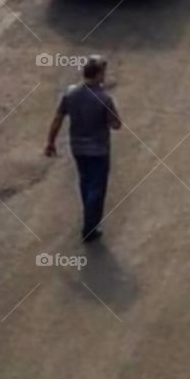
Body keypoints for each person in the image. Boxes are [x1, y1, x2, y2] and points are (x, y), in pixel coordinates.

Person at [44, 56, 122, 242]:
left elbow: (58, 118)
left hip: (77, 147)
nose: (105, 76)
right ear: (98, 74)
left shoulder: (70, 93)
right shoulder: (104, 98)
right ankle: (90, 226)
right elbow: (116, 124)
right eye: (103, 72)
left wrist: (50, 142)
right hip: (99, 150)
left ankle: (89, 215)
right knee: (97, 187)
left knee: (85, 182)